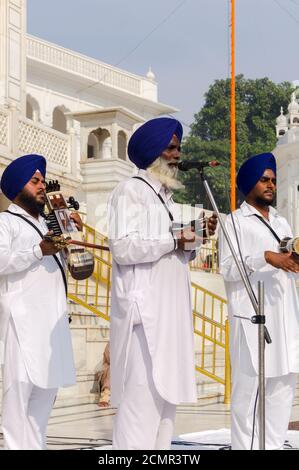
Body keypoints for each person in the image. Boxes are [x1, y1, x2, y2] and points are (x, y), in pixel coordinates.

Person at [108, 117, 217, 450]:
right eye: (171, 147)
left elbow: (172, 249)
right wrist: (175, 239)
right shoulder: (131, 190)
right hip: (146, 316)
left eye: (178, 147)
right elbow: (123, 246)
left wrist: (196, 235)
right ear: (153, 152)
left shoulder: (165, 199)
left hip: (169, 316)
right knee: (140, 409)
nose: (177, 154)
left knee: (164, 412)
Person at [219, 152, 299, 450]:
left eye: (274, 181)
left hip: (285, 316)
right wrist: (265, 257)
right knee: (247, 397)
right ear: (250, 183)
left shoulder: (282, 222)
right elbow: (227, 268)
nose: (271, 185)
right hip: (251, 317)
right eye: (264, 180)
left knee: (281, 391)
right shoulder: (234, 222)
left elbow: (288, 260)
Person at [0, 154, 80, 450]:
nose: (42, 187)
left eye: (43, 182)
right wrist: (38, 250)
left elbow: (76, 267)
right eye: (35, 181)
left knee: (45, 397)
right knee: (18, 398)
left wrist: (73, 233)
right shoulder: (5, 222)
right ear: (17, 186)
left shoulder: (50, 225)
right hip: (22, 322)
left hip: (50, 323)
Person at [97, 342, 111, 408]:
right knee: (113, 369)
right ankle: (105, 396)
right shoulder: (111, 343)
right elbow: (111, 360)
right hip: (107, 377)